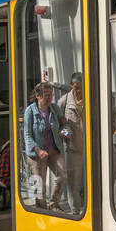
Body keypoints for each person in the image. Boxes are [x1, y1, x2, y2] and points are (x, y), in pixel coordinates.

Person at [22, 82, 65, 211]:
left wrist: (66, 133)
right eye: (46, 95)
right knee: (40, 186)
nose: (49, 98)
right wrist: (38, 150)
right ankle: (41, 209)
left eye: (51, 95)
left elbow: (64, 126)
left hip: (53, 150)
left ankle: (54, 204)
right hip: (36, 154)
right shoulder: (30, 111)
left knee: (62, 175)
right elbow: (28, 136)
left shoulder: (54, 108)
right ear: (37, 96)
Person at [57, 72, 86, 214]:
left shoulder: (92, 98)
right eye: (76, 87)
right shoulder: (63, 101)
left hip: (90, 148)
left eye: (81, 87)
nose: (79, 90)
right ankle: (76, 211)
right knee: (74, 182)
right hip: (73, 149)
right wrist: (67, 137)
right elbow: (57, 124)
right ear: (71, 86)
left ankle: (89, 207)